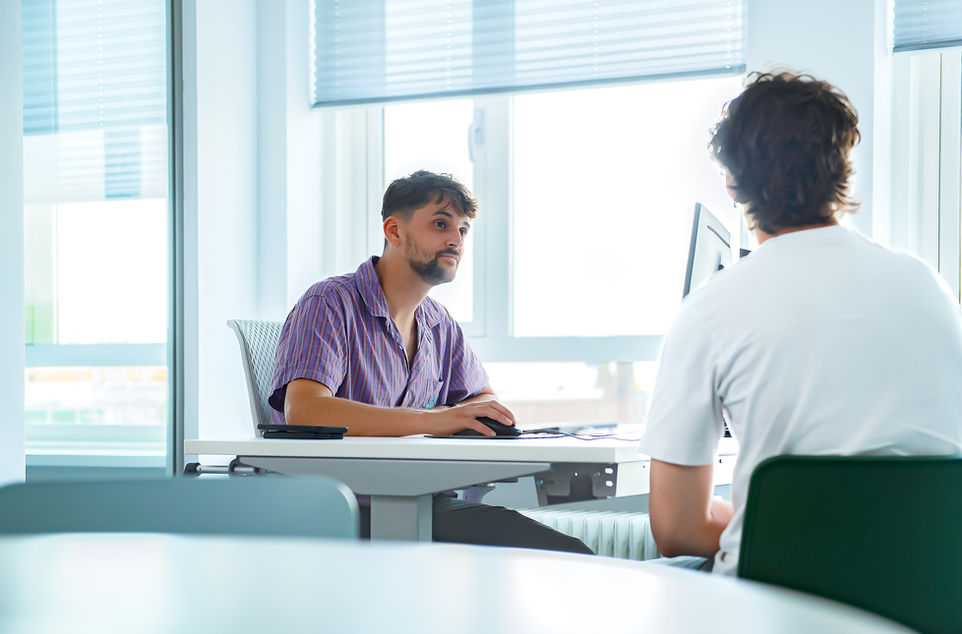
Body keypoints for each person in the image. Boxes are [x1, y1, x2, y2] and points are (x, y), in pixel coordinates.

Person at [640, 71, 962, 575]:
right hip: (926, 593)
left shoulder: (710, 308)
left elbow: (677, 528)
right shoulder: (930, 288)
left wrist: (791, 527)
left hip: (781, 597)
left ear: (732, 180)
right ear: (843, 169)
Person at [268, 170, 593, 554]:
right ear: (394, 231)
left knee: (570, 555)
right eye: (441, 224)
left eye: (463, 230)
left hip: (419, 500)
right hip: (336, 509)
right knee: (566, 558)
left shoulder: (439, 323)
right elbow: (306, 411)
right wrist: (433, 420)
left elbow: (480, 402)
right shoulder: (329, 303)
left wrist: (461, 415)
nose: (455, 240)